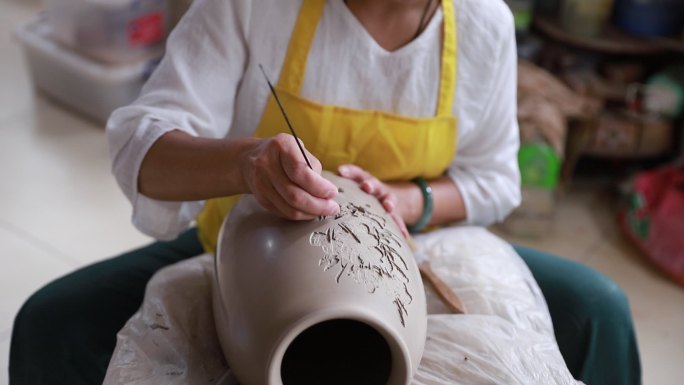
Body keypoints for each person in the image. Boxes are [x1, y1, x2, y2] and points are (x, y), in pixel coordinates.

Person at [9, 0, 641, 384]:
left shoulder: (481, 23)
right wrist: (248, 162)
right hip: (238, 263)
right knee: (54, 324)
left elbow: (496, 178)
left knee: (597, 309)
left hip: (411, 257)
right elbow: (139, 147)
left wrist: (404, 200)